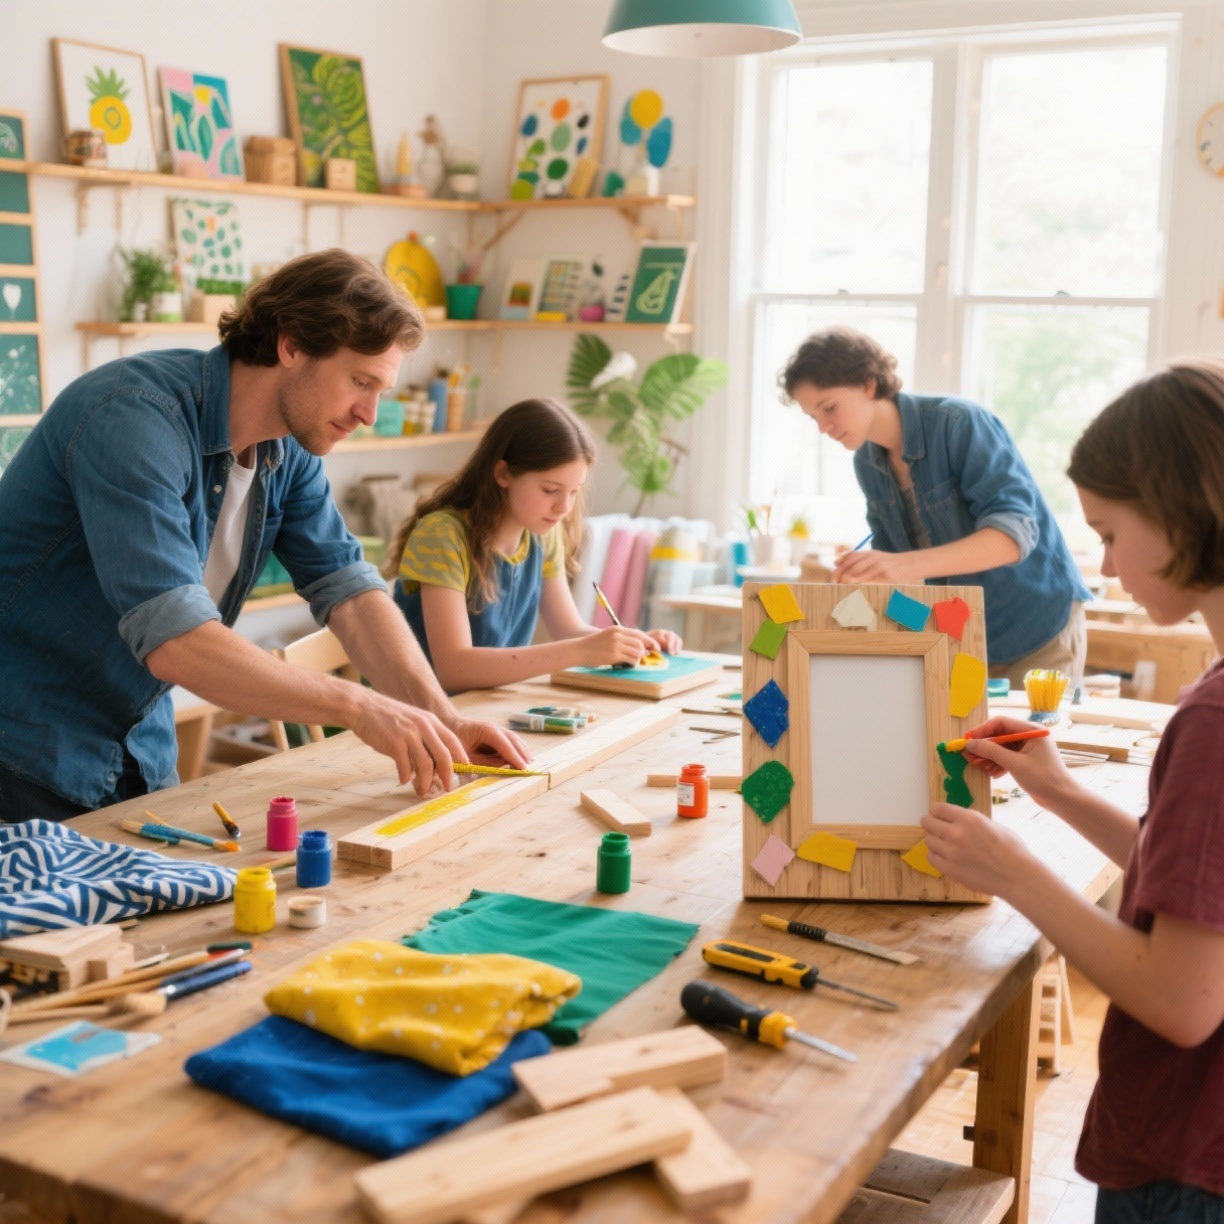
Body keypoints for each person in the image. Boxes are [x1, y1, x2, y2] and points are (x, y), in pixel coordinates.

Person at [0, 249, 526, 824]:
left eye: (383, 390)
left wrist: (443, 720)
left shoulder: (288, 450)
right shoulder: (132, 416)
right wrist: (358, 704)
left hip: (135, 753)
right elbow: (178, 641)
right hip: (23, 752)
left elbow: (349, 589)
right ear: (292, 344)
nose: (370, 413)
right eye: (360, 381)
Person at [922, 359, 1224, 1222]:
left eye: (1109, 530)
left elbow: (1181, 999)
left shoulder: (1213, 722)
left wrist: (1012, 871)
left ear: (1177, 514)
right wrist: (1061, 793)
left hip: (1187, 1165)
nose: (1105, 563)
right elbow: (1203, 889)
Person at [780, 327, 1091, 688]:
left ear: (868, 383)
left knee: (1026, 743)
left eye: (828, 407)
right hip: (962, 639)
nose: (823, 427)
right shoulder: (867, 462)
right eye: (812, 417)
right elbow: (900, 577)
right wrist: (866, 576)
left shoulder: (960, 423)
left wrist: (902, 565)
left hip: (1036, 628)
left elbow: (1012, 538)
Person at [381, 397, 681, 694]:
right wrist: (581, 651)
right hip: (413, 715)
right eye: (550, 490)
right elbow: (454, 669)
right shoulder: (442, 535)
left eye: (574, 492)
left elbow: (570, 631)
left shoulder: (541, 534)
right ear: (503, 474)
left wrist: (631, 643)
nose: (564, 506)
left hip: (481, 707)